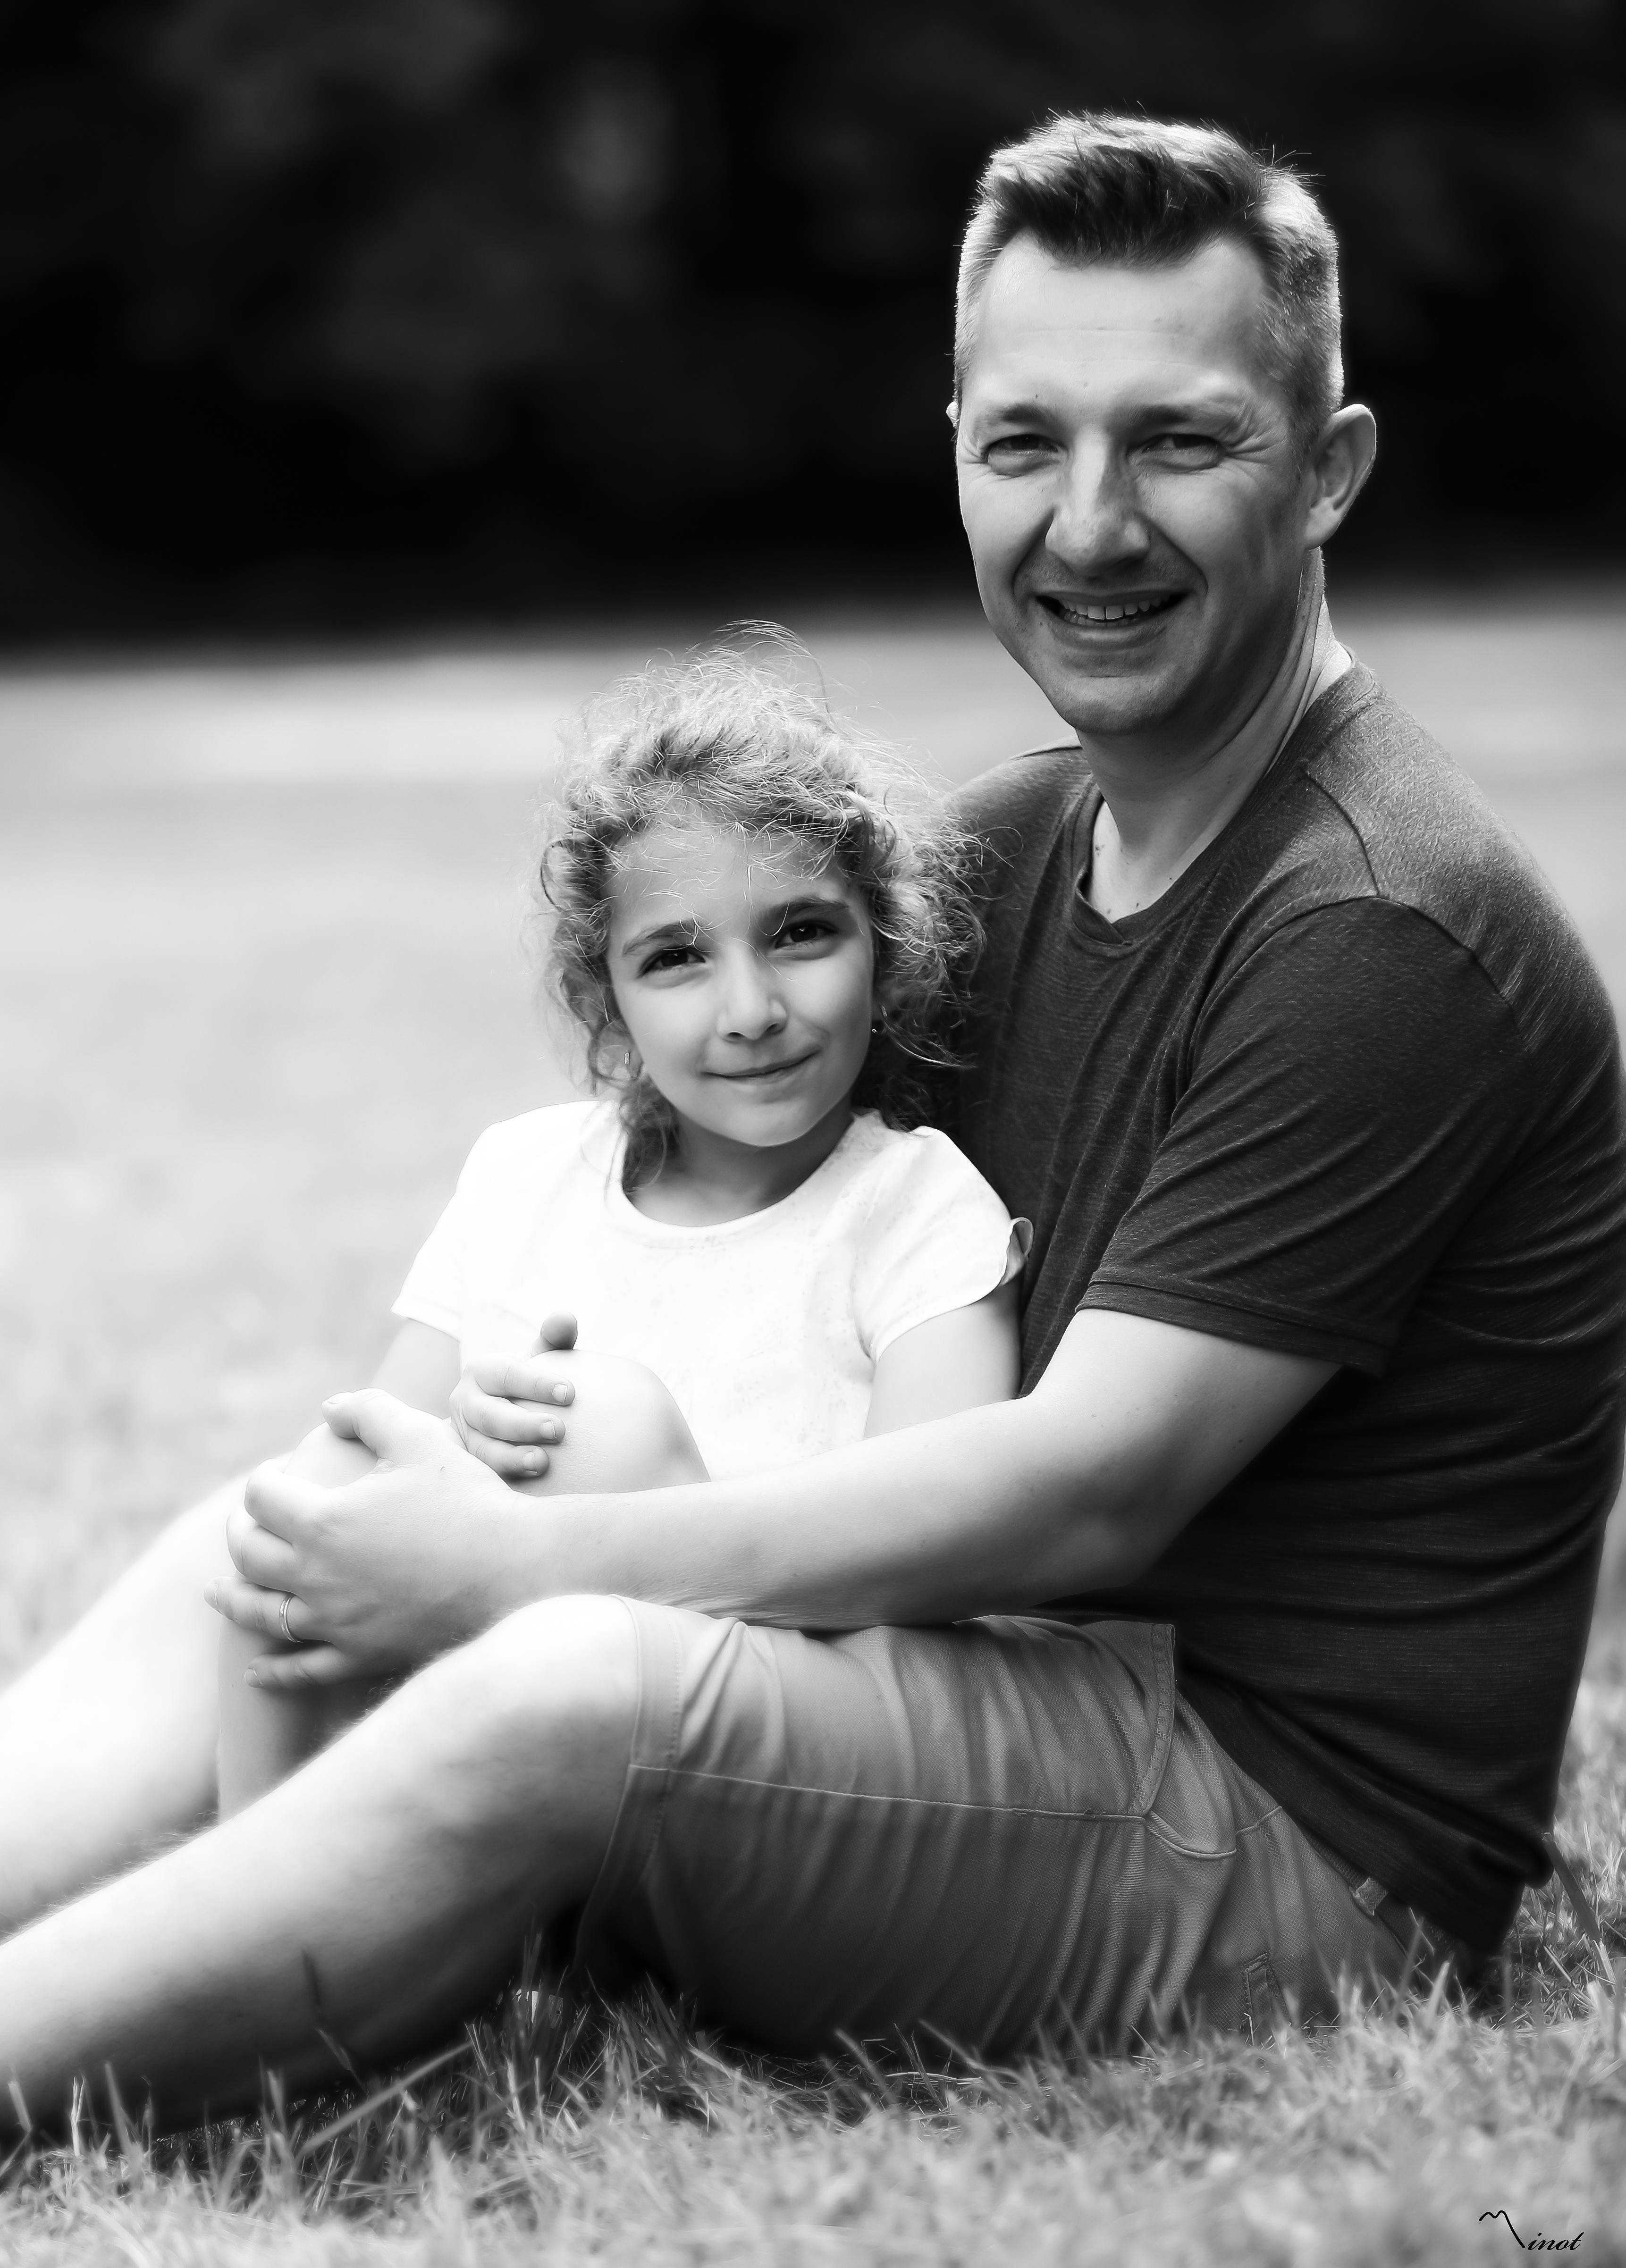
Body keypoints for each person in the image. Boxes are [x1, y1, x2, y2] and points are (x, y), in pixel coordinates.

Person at [3, 112, 1623, 2136]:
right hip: (990, 1696)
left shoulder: (1375, 920)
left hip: (1272, 1839)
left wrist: (518, 1568)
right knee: (285, 1542)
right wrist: (459, 1483)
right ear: (954, 453)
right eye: (1023, 442)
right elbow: (725, 1170)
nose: (1089, 523)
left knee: (564, 1682)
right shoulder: (1015, 847)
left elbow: (1085, 1496)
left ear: (1328, 469)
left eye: (1178, 442)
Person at [217, 646, 1020, 1808]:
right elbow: (374, 1467)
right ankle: (268, 1868)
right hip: (511, 1700)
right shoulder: (527, 1176)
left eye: (801, 933)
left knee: (599, 1421)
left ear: (884, 951)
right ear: (608, 997)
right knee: (308, 1496)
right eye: (676, 958)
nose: (750, 1010)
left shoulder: (915, 1210)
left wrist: (579, 1478)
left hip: (786, 1740)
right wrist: (465, 1440)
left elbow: (937, 1558)